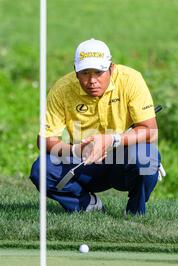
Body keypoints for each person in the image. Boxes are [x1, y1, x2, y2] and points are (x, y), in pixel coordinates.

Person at [30, 38, 161, 215]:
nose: (92, 80)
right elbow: (45, 140)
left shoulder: (131, 79)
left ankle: (135, 213)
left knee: (147, 155)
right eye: (85, 73)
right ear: (76, 72)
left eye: (99, 72)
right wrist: (76, 150)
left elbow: (150, 131)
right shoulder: (62, 89)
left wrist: (112, 140)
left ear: (111, 68)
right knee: (42, 169)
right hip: (83, 161)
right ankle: (87, 204)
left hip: (122, 156)